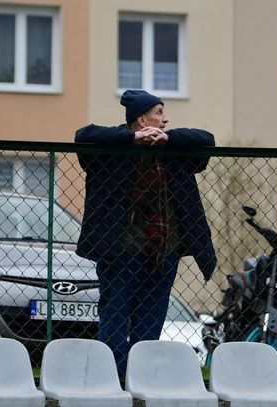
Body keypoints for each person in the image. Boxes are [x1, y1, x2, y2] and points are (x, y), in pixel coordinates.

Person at [74, 89, 217, 376]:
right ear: (141, 119)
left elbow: (206, 140)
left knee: (151, 320)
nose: (165, 119)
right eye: (159, 113)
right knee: (115, 316)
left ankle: (140, 378)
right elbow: (84, 136)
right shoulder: (113, 150)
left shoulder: (173, 150)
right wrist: (132, 139)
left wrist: (169, 139)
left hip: (164, 252)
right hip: (122, 252)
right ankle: (113, 379)